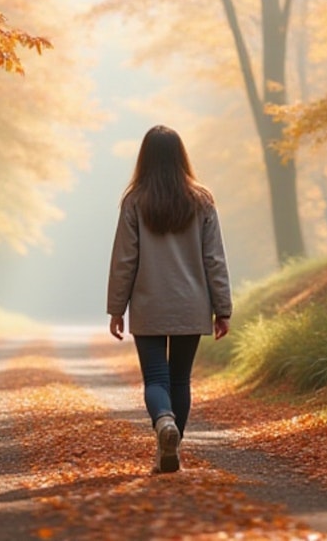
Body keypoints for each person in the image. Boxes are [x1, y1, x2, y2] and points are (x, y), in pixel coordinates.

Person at [107, 124, 233, 474]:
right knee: (180, 380)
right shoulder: (202, 200)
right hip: (191, 305)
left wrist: (117, 309)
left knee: (156, 380)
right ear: (181, 156)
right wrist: (222, 308)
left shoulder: (134, 201)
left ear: (144, 158)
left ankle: (164, 423)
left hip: (149, 305)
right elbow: (214, 259)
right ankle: (173, 441)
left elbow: (124, 259)